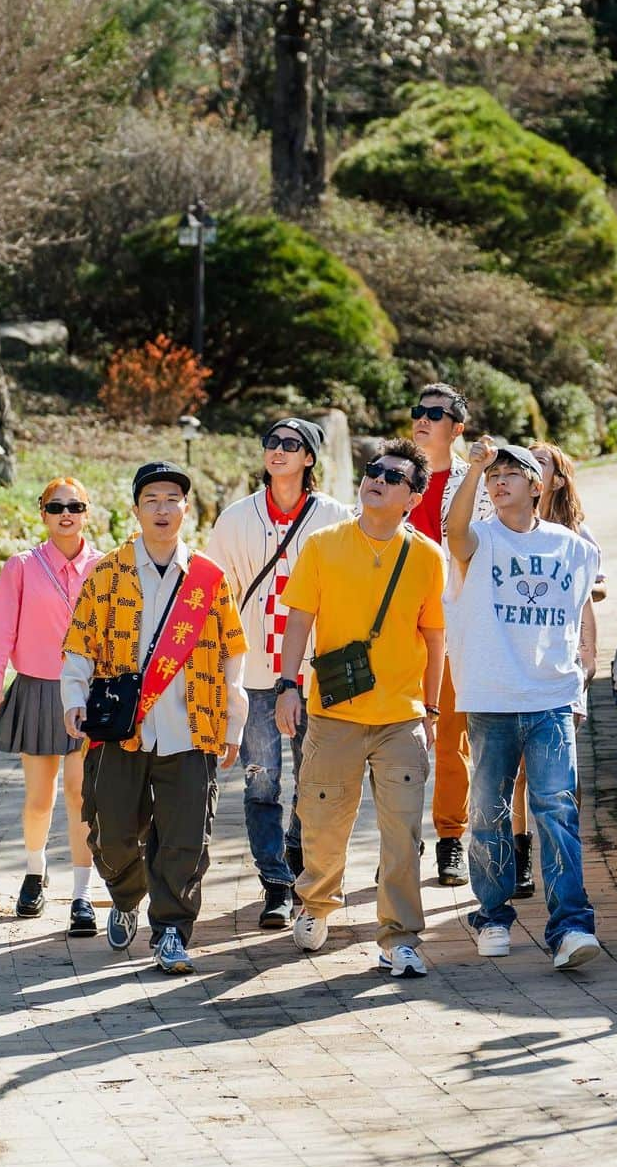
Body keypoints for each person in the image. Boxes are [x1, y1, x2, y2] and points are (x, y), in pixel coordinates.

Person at [61, 461, 248, 975]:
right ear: (136, 509)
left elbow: (234, 654)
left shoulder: (209, 578)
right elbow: (78, 644)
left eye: (172, 500)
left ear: (186, 509)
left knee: (186, 837)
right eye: (153, 501)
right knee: (111, 831)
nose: (163, 510)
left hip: (193, 726)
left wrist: (233, 724)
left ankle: (171, 930)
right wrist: (73, 698)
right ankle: (125, 894)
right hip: (123, 729)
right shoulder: (108, 573)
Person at [275, 438, 446, 978]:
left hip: (401, 716)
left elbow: (435, 638)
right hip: (333, 713)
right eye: (374, 469)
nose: (377, 478)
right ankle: (317, 903)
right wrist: (286, 685)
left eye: (393, 476)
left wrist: (432, 709)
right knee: (323, 825)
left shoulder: (426, 557)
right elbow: (299, 620)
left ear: (412, 498)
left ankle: (400, 938)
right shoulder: (323, 544)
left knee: (403, 836)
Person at [445, 438, 602, 971]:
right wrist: (473, 471)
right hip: (490, 697)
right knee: (488, 812)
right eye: (495, 475)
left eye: (512, 473)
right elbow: (454, 533)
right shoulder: (480, 540)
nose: (499, 481)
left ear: (538, 486)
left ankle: (571, 927)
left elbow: (576, 618)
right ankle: (491, 914)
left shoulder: (575, 549)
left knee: (557, 811)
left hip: (552, 698)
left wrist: (580, 686)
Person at [206, 418, 350, 930]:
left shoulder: (335, 517)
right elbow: (217, 595)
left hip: (319, 670)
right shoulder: (235, 518)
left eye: (292, 445)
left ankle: (297, 860)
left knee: (314, 781)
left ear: (310, 457)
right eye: (272, 443)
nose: (279, 451)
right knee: (260, 782)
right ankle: (274, 884)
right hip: (253, 670)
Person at [0, 478, 102, 932]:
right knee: (38, 798)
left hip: (88, 693)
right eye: (56, 507)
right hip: (37, 688)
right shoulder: (22, 566)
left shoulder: (105, 567)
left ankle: (82, 893)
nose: (65, 513)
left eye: (74, 505)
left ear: (87, 512)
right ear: (43, 513)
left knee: (79, 792)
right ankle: (35, 871)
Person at [509, 441, 606, 898]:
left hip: (562, 665)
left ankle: (562, 851)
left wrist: (588, 663)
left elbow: (592, 596)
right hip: (516, 665)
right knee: (521, 770)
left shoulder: (577, 537)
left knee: (562, 772)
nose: (530, 463)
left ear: (558, 479)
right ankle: (520, 855)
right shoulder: (505, 528)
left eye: (541, 460)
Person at [407, 382, 493, 888]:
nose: (422, 419)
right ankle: (401, 841)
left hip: (453, 628)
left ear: (456, 428)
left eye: (435, 414)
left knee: (449, 741)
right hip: (398, 630)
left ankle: (450, 841)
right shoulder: (394, 474)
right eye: (418, 411)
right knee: (397, 742)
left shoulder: (475, 481)